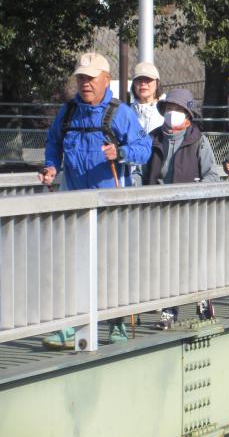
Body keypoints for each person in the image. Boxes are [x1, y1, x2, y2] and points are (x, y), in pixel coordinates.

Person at [39, 52, 152, 349]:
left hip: (108, 204)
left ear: (105, 79)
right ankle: (68, 326)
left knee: (110, 265)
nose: (84, 84)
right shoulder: (68, 112)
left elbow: (145, 147)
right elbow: (53, 142)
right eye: (80, 78)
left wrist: (121, 153)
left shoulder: (120, 113)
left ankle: (116, 325)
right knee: (70, 265)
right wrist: (51, 166)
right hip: (73, 203)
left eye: (90, 78)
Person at [143, 88, 219, 329]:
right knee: (166, 262)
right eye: (168, 108)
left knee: (194, 259)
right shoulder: (152, 138)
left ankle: (203, 304)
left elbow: (212, 175)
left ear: (188, 114)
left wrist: (196, 191)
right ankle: (169, 310)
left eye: (177, 109)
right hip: (159, 211)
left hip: (190, 211)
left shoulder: (199, 140)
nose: (171, 113)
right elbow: (140, 172)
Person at [130, 61, 164, 134]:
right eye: (139, 80)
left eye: (148, 79)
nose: (143, 83)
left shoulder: (167, 109)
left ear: (157, 83)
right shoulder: (127, 112)